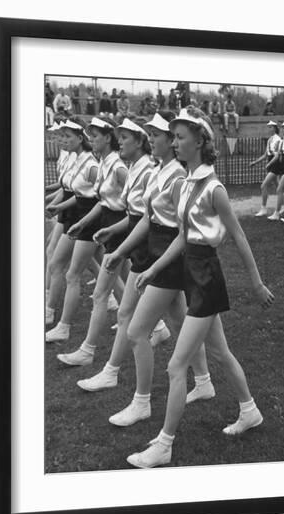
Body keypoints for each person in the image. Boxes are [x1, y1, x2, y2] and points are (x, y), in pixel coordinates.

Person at [124, 109, 274, 468]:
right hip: (191, 273)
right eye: (173, 137)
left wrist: (256, 282)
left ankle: (164, 444)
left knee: (177, 365)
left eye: (179, 137)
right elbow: (181, 236)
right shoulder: (188, 182)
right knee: (220, 353)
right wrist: (153, 269)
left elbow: (237, 236)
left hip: (206, 278)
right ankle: (249, 411)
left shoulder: (214, 188)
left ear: (200, 141)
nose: (174, 142)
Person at [82, 111, 215, 414]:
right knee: (178, 321)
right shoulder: (160, 170)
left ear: (172, 141)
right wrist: (119, 250)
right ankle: (205, 381)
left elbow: (184, 230)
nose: (151, 139)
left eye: (157, 135)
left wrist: (155, 263)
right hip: (155, 254)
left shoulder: (178, 177)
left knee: (136, 330)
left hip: (166, 257)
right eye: (151, 134)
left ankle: (141, 401)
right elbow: (146, 218)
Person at [58, 118, 169, 368]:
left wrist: (116, 236)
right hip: (123, 229)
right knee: (142, 301)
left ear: (139, 142)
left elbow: (138, 213)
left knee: (102, 294)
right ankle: (161, 332)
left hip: (134, 234)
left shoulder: (128, 169)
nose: (92, 140)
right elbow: (118, 204)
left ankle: (91, 352)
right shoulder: (122, 165)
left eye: (125, 138)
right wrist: (101, 227)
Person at [44, 117, 99, 336]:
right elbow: (75, 190)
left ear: (80, 138)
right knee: (106, 270)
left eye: (67, 136)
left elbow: (98, 197)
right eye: (60, 136)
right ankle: (52, 312)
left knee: (71, 270)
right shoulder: (77, 159)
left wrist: (58, 206)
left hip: (85, 219)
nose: (61, 140)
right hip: (77, 217)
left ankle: (58, 321)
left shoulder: (91, 164)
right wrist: (56, 204)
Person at [250, 121, 282, 217]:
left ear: (275, 128)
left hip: (275, 164)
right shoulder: (270, 139)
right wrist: (255, 162)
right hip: (271, 163)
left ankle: (263, 208)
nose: (269, 129)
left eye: (271, 127)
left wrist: (268, 164)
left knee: (264, 185)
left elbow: (276, 155)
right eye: (268, 127)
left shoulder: (277, 139)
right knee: (278, 186)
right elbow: (265, 155)